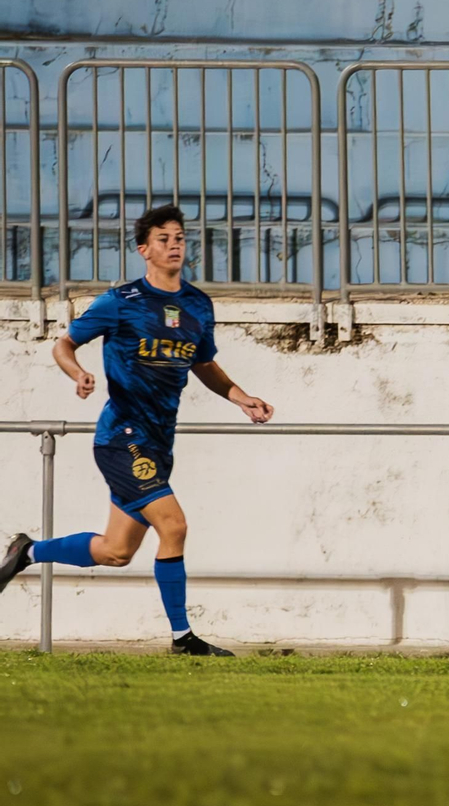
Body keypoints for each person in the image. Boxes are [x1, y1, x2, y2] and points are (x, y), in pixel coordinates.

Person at [0, 204, 275, 656]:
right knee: (175, 525)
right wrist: (78, 374)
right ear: (143, 248)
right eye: (164, 238)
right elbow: (64, 344)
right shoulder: (121, 302)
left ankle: (27, 551)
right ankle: (183, 639)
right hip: (122, 438)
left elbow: (203, 363)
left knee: (115, 551)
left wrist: (240, 397)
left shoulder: (197, 305)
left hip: (159, 442)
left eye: (180, 238)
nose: (174, 245)